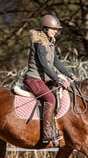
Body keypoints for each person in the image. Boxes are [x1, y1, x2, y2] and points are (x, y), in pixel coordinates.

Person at [23, 14, 78, 144]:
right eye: (53, 29)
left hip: (44, 79)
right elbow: (44, 65)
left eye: (57, 29)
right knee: (50, 98)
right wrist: (58, 79)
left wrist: (70, 74)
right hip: (34, 79)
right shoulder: (40, 43)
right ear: (45, 28)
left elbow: (56, 63)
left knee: (61, 94)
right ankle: (47, 133)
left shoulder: (50, 43)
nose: (56, 31)